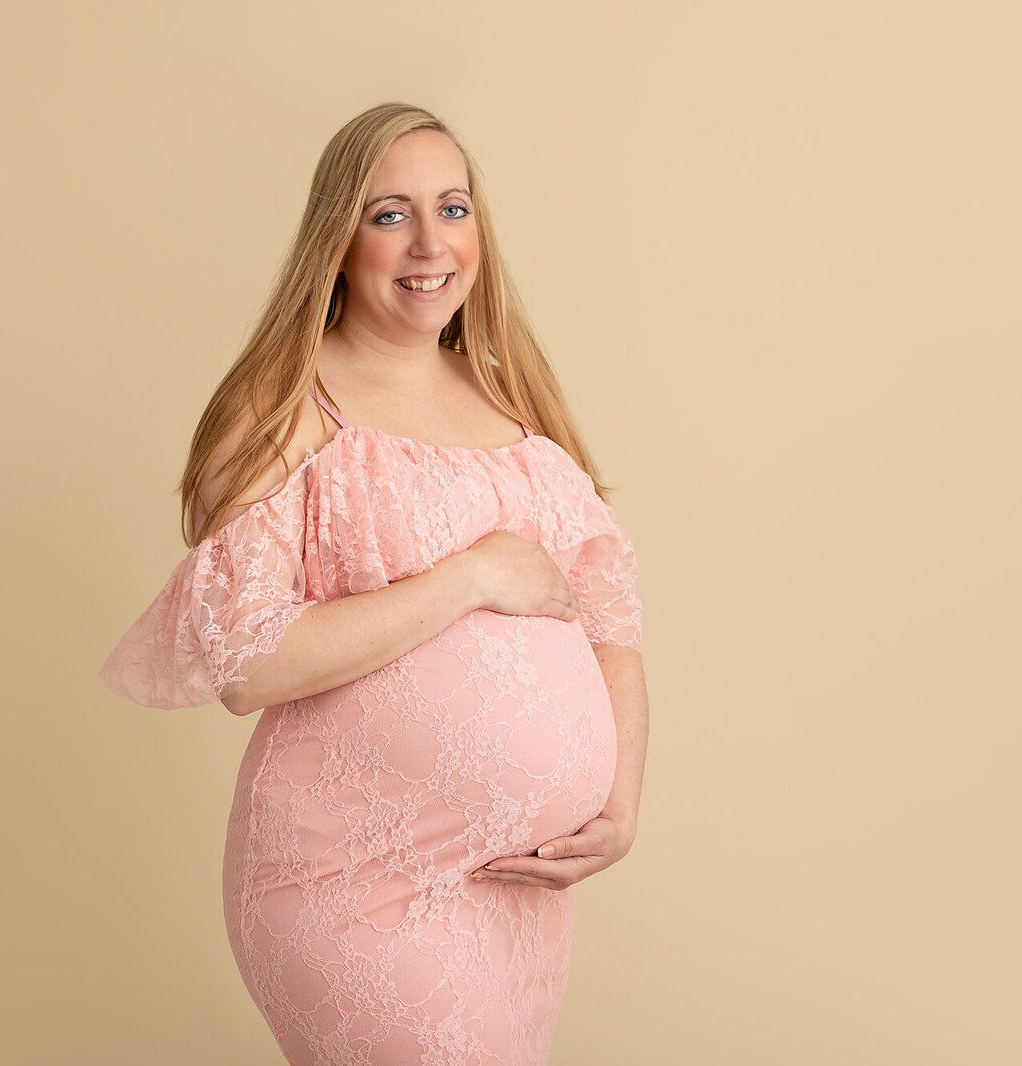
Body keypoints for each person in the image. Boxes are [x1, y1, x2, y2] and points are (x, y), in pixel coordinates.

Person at [99, 101, 649, 1065]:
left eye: (455, 208)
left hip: (513, 897)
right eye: (390, 214)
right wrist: (471, 577)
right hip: (353, 882)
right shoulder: (284, 412)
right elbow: (245, 662)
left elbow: (609, 624)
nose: (430, 243)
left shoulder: (514, 404)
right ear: (337, 243)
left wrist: (619, 808)